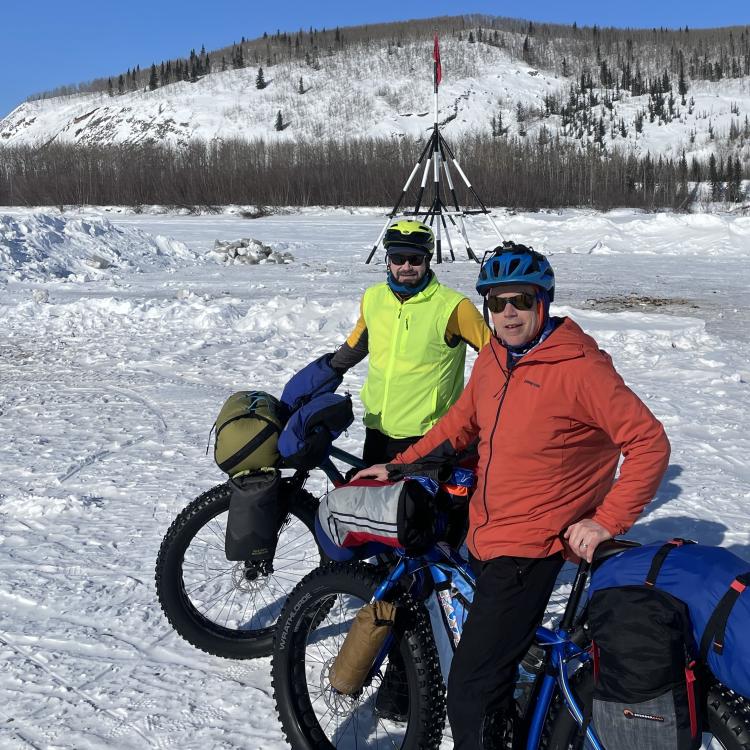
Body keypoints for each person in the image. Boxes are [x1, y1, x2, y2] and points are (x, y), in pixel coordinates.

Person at [353, 241, 671, 748]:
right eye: (496, 302)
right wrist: (398, 463)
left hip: (531, 547)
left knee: (470, 688)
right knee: (491, 665)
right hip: (487, 527)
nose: (507, 313)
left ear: (542, 302)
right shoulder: (495, 358)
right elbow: (461, 424)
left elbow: (649, 442)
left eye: (520, 301)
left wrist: (606, 521)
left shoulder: (579, 368)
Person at [330, 219, 490, 466]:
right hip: (377, 429)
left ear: (427, 261)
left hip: (428, 436)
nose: (406, 266)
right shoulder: (373, 298)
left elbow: (494, 355)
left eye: (415, 259)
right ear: (388, 261)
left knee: (414, 505)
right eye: (398, 258)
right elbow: (358, 344)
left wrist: (475, 408)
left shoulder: (453, 307)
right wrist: (324, 374)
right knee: (373, 501)